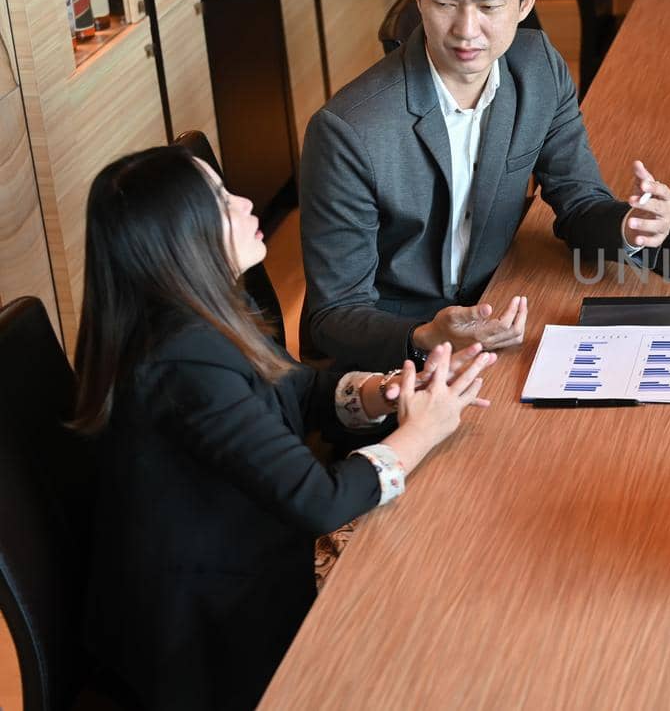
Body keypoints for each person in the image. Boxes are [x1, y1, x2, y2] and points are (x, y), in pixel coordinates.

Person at [74, 146, 497, 710]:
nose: (246, 202)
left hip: (239, 577)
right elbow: (319, 501)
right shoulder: (184, 361)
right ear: (183, 237)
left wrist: (387, 391)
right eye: (222, 202)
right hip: (211, 637)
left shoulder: (200, 311)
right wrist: (419, 434)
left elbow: (296, 387)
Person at [299, 0, 670, 372]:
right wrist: (426, 338)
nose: (466, 30)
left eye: (489, 6)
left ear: (525, 1)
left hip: (500, 306)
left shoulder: (538, 68)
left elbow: (579, 204)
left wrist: (629, 226)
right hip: (398, 352)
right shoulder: (347, 131)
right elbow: (335, 315)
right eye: (445, 3)